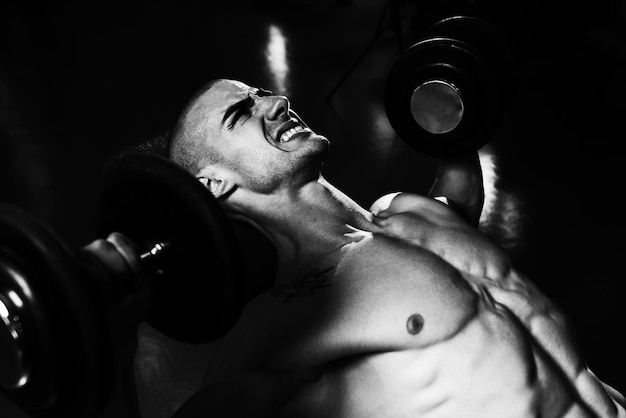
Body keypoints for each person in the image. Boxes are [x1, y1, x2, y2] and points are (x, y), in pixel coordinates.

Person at [92, 78, 625, 417]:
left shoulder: (407, 211)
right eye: (242, 114)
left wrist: (454, 119)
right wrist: (114, 351)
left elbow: (457, 235)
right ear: (214, 185)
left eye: (261, 93)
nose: (276, 102)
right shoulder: (284, 321)